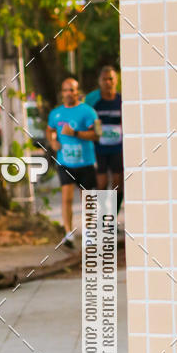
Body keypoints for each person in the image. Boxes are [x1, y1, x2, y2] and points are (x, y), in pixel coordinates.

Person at [46, 76, 99, 249]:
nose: (69, 93)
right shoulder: (56, 113)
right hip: (65, 162)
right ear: (62, 93)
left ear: (78, 92)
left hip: (85, 162)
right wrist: (53, 141)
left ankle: (90, 234)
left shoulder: (88, 112)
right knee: (66, 198)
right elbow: (50, 130)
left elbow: (96, 135)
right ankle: (68, 234)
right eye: (66, 90)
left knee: (88, 199)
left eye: (72, 90)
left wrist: (75, 133)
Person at [85, 65, 124, 214]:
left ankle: (113, 215)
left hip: (117, 147)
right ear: (99, 81)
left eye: (111, 79)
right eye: (104, 79)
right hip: (99, 147)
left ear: (116, 80)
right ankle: (103, 212)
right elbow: (87, 121)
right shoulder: (93, 100)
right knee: (101, 183)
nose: (108, 82)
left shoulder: (121, 100)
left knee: (117, 183)